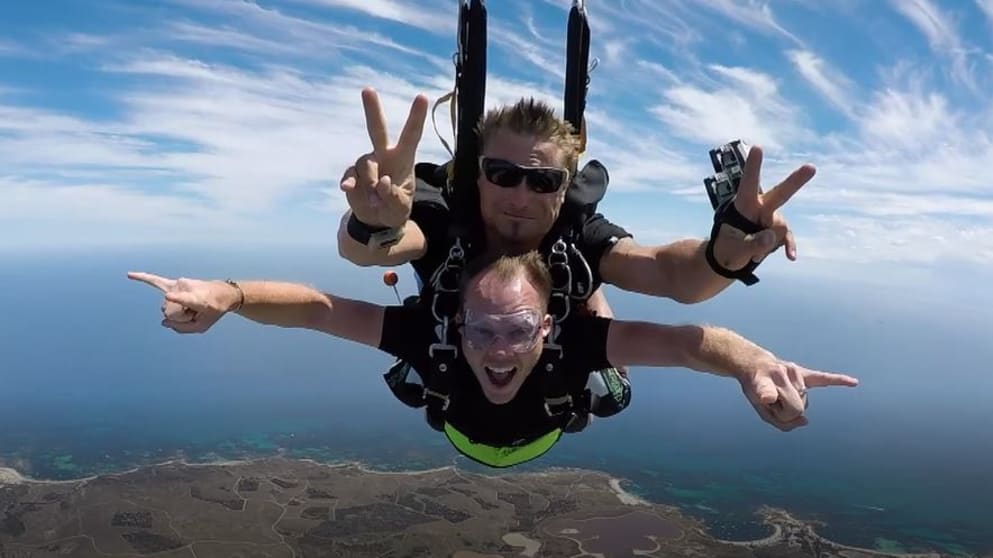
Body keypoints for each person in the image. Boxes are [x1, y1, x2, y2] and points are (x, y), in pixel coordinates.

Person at [127, 252, 858, 468]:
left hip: (538, 417)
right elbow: (320, 309)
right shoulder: (435, 337)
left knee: (608, 386)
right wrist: (226, 293)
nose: (498, 350)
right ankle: (571, 286)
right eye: (481, 331)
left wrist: (750, 362)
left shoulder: (572, 343)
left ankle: (583, 284)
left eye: (517, 330)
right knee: (603, 384)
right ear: (457, 324)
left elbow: (685, 341)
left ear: (545, 326)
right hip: (473, 428)